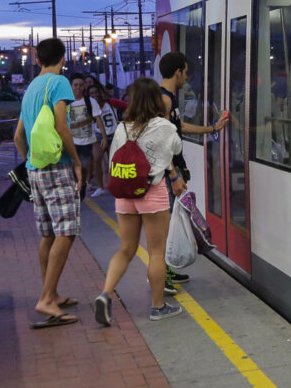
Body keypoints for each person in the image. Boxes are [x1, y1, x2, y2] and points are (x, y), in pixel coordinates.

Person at [94, 78, 186, 325]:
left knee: (126, 249)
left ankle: (105, 293)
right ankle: (158, 307)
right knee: (156, 252)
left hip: (125, 193)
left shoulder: (123, 127)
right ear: (156, 100)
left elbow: (114, 157)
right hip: (151, 192)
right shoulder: (164, 126)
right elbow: (176, 149)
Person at [12, 38, 82, 329]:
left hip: (35, 170)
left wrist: (30, 161)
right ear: (63, 59)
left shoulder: (31, 89)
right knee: (67, 231)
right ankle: (46, 299)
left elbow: (18, 136)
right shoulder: (59, 83)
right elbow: (62, 126)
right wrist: (76, 161)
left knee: (49, 234)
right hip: (57, 166)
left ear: (38, 60)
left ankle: (51, 293)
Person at [157, 52, 229, 291]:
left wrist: (212, 129)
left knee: (171, 221)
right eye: (185, 73)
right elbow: (161, 140)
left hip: (173, 169)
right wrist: (173, 175)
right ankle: (160, 278)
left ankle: (167, 270)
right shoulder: (164, 100)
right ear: (178, 72)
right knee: (165, 224)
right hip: (168, 172)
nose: (186, 78)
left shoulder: (169, 99)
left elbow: (179, 127)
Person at [67, 74, 105, 198]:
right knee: (72, 167)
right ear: (71, 86)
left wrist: (104, 137)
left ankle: (81, 186)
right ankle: (76, 187)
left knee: (83, 166)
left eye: (80, 85)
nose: (78, 87)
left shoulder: (90, 101)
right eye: (75, 85)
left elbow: (98, 119)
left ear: (84, 87)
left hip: (86, 141)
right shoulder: (66, 103)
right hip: (71, 141)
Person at [89, 81, 117, 192]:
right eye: (91, 93)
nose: (95, 95)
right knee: (96, 160)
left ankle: (115, 184)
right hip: (98, 135)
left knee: (114, 161)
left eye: (96, 92)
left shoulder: (110, 102)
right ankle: (100, 186)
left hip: (113, 134)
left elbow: (126, 105)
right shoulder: (88, 106)